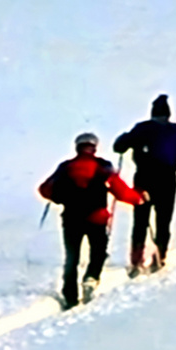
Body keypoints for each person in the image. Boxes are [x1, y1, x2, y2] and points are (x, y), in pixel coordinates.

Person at [38, 132, 146, 309]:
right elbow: (120, 191)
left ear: (77, 147)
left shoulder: (66, 167)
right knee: (99, 251)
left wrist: (59, 197)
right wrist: (137, 199)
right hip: (97, 217)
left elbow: (44, 189)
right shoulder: (103, 167)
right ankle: (91, 278)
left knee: (71, 257)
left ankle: (70, 296)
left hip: (71, 218)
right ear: (94, 147)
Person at [113, 94, 176, 276]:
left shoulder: (142, 129)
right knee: (164, 220)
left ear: (152, 113)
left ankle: (136, 261)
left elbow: (119, 147)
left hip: (144, 179)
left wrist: (126, 137)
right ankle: (159, 257)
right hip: (168, 180)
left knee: (140, 220)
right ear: (169, 114)